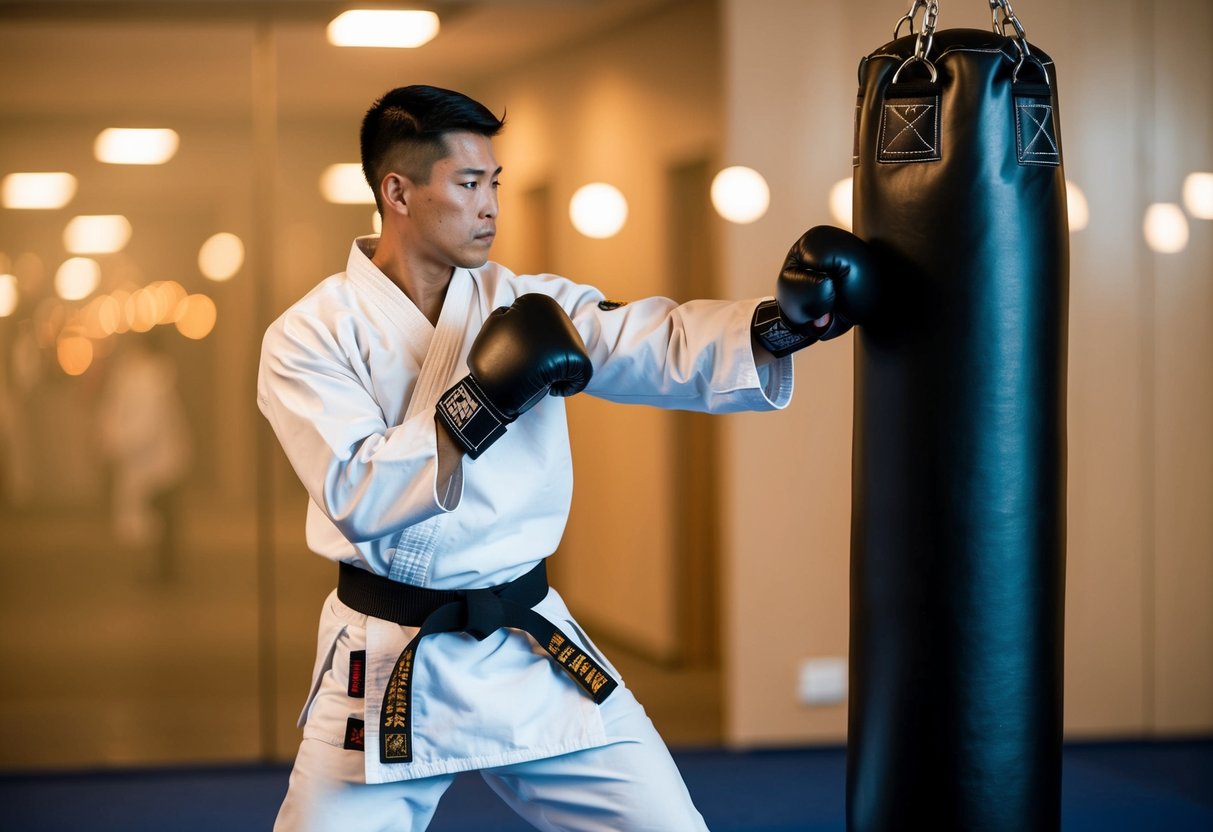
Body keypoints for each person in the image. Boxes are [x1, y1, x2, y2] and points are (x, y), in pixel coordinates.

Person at [257, 84, 876, 832]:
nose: (490, 206)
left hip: (528, 646)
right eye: (467, 184)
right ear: (397, 191)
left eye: (494, 185)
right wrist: (480, 399)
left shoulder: (526, 304)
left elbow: (652, 340)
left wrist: (780, 327)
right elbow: (352, 488)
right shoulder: (309, 336)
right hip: (389, 658)